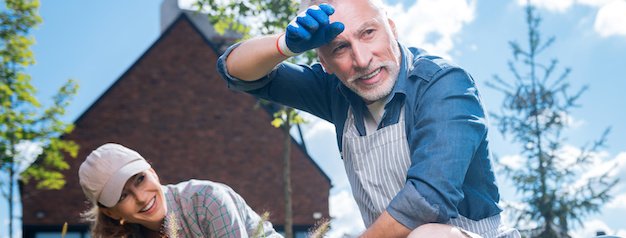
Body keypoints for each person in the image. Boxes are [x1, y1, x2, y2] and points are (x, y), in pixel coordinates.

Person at [216, 0, 520, 237]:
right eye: (340, 48)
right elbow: (236, 72)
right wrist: (284, 45)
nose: (362, 60)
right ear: (323, 62)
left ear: (391, 27)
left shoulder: (444, 85)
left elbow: (428, 200)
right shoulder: (335, 91)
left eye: (368, 33)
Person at [79, 143, 281, 238]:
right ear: (110, 212)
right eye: (123, 195)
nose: (140, 197)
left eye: (140, 179)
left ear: (152, 171)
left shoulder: (206, 200)